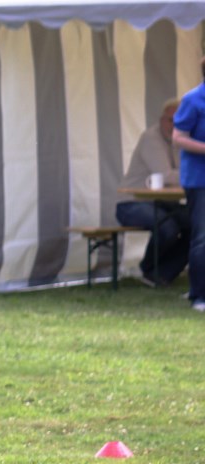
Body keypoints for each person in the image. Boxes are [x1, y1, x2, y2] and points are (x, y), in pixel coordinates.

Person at [116, 98, 190, 286]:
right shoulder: (151, 138)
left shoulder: (179, 140)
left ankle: (162, 273)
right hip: (131, 203)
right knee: (167, 227)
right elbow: (165, 175)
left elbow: (179, 174)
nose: (173, 125)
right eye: (169, 120)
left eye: (178, 121)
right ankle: (148, 270)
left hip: (162, 203)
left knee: (198, 224)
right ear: (161, 120)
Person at [174, 57, 205, 311]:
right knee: (202, 237)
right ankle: (199, 295)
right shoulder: (193, 99)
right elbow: (178, 137)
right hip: (199, 180)